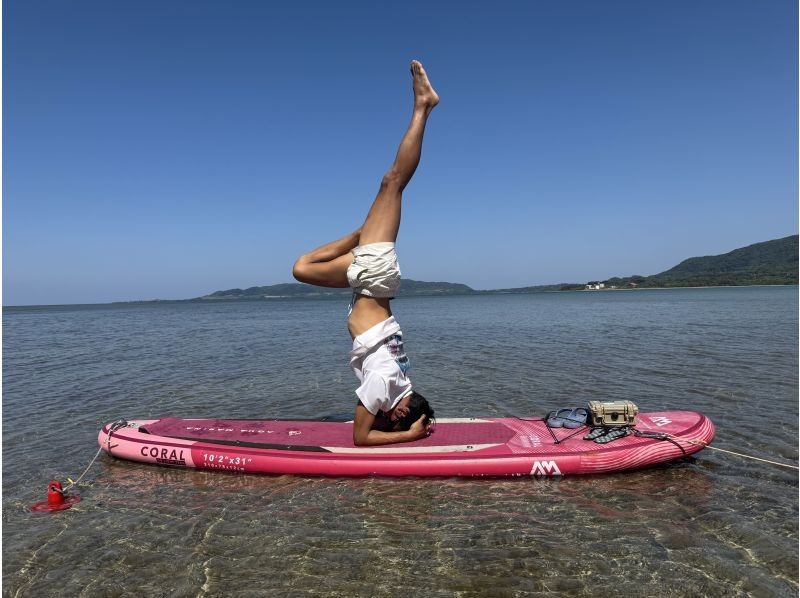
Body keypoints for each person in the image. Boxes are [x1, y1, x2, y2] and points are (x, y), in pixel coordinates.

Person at [292, 60, 439, 446]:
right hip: (372, 279)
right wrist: (406, 435)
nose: (383, 420)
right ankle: (423, 106)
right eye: (395, 420)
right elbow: (361, 438)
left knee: (303, 267)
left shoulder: (399, 379)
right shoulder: (384, 385)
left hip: (370, 283)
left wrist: (410, 424)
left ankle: (359, 234)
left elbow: (377, 418)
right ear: (403, 410)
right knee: (393, 181)